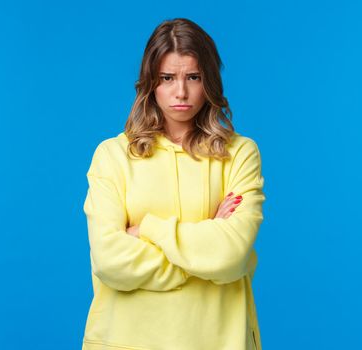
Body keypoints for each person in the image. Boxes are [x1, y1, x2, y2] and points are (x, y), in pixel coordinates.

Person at [82, 17, 265, 350]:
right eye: (167, 78)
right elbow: (110, 262)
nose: (181, 91)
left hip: (219, 340)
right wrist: (203, 246)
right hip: (125, 340)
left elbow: (230, 256)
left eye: (193, 77)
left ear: (208, 80)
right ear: (151, 83)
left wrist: (147, 230)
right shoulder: (112, 156)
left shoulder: (239, 154)